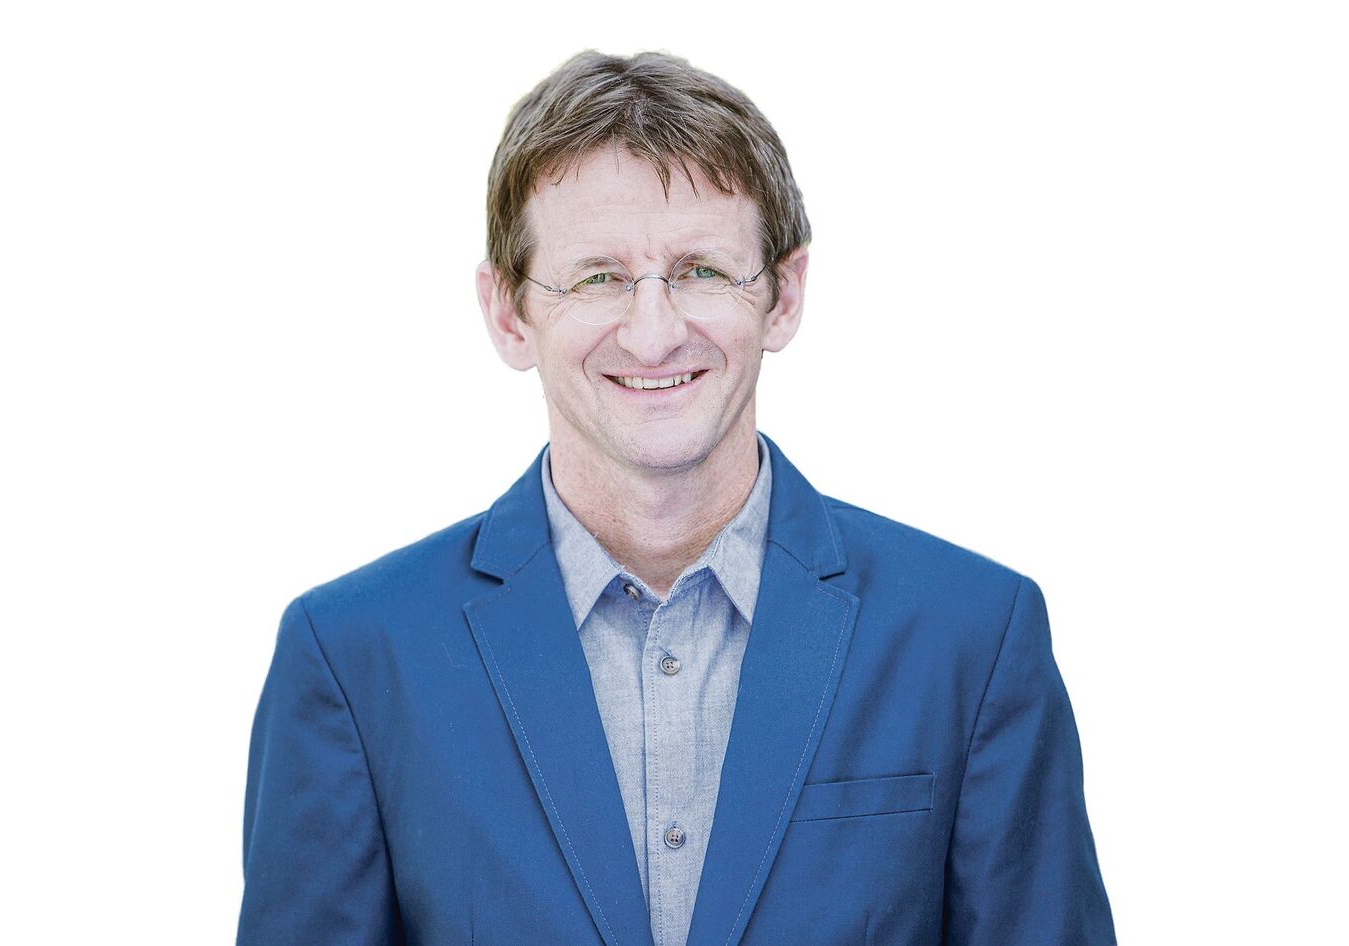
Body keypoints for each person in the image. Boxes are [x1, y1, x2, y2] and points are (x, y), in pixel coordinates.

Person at [236, 50, 1116, 946]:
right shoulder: (353, 658)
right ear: (507, 315)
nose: (653, 333)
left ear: (784, 296)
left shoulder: (971, 637)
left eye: (701, 270)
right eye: (597, 276)